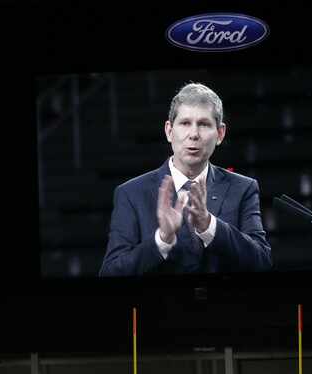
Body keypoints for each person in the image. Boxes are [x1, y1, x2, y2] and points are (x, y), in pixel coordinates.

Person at [99, 82, 272, 276]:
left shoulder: (243, 188)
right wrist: (161, 240)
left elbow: (262, 261)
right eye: (185, 123)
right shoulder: (131, 193)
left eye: (204, 124)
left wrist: (209, 226)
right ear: (169, 131)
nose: (194, 134)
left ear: (220, 133)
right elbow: (110, 272)